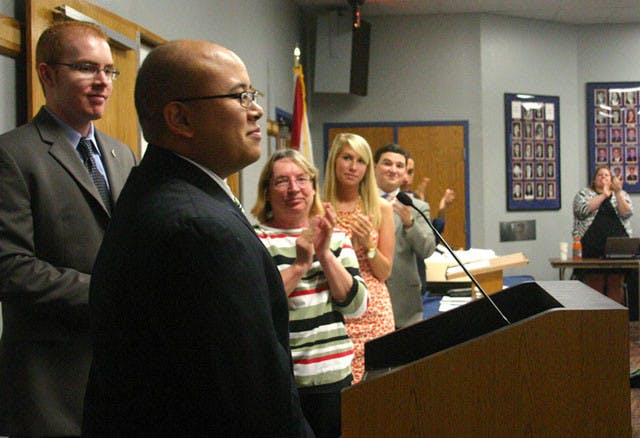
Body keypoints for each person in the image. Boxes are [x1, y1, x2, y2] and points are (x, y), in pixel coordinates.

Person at [82, 40, 312, 436]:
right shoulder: (200, 230)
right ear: (180, 119)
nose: (255, 109)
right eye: (240, 96)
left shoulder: (156, 190)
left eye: (252, 95)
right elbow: (255, 406)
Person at [0, 22, 136, 436]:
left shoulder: (122, 153)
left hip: (120, 377)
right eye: (86, 68)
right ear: (46, 74)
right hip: (50, 385)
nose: (102, 82)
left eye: (109, 71)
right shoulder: (13, 154)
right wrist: (108, 295)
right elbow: (11, 269)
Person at [253, 149, 367, 436]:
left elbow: (357, 307)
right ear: (267, 191)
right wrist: (302, 264)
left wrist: (325, 254)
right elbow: (258, 305)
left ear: (314, 187)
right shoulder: (254, 238)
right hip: (280, 381)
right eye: (281, 181)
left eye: (302, 179)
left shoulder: (337, 237)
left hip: (333, 376)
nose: (294, 189)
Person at [323, 133, 396, 383]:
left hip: (373, 310)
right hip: (333, 306)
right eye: (347, 158)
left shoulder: (381, 208)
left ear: (368, 168)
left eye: (361, 161)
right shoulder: (319, 207)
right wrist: (345, 247)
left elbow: (385, 272)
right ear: (334, 161)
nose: (353, 167)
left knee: (375, 389)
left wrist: (369, 247)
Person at [374, 144, 436, 328]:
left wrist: (410, 224)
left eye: (400, 166)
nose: (393, 170)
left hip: (404, 307)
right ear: (375, 166)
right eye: (387, 163)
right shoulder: (360, 202)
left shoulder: (417, 206)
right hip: (365, 301)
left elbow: (427, 249)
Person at [573, 166, 633, 304]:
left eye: (607, 175)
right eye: (600, 175)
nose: (603, 178)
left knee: (615, 284)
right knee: (595, 283)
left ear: (612, 180)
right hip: (591, 249)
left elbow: (627, 213)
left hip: (618, 250)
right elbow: (581, 211)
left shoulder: (621, 194)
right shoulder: (584, 193)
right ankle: (596, 322)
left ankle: (614, 320)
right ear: (594, 180)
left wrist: (616, 193)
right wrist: (604, 195)